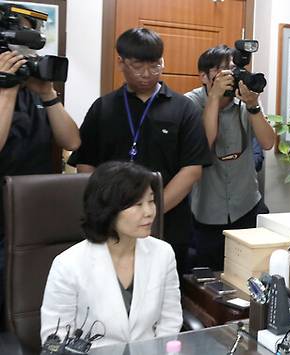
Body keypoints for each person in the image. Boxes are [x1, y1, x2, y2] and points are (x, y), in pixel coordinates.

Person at [67, 28, 212, 276]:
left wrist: (150, 211)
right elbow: (86, 165)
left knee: (164, 293)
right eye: (137, 66)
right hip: (112, 225)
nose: (147, 74)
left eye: (155, 65)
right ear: (121, 62)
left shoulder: (183, 108)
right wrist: (111, 212)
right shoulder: (104, 108)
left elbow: (192, 169)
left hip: (169, 225)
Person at [40, 161, 182, 348]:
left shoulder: (163, 253)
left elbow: (170, 322)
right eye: (137, 204)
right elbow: (55, 338)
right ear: (108, 209)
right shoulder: (68, 264)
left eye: (151, 201)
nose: (149, 212)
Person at [0, 5, 80, 328]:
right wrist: (6, 92)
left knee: (33, 304)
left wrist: (48, 94)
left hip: (35, 214)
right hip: (1, 217)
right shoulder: (7, 89)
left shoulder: (34, 87)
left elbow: (72, 141)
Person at [185, 45, 275, 271]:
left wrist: (253, 104)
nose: (229, 76)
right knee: (210, 282)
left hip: (247, 205)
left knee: (253, 273)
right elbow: (203, 146)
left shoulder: (243, 102)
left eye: (232, 70)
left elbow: (268, 142)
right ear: (204, 77)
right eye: (221, 70)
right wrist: (214, 99)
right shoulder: (190, 104)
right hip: (207, 211)